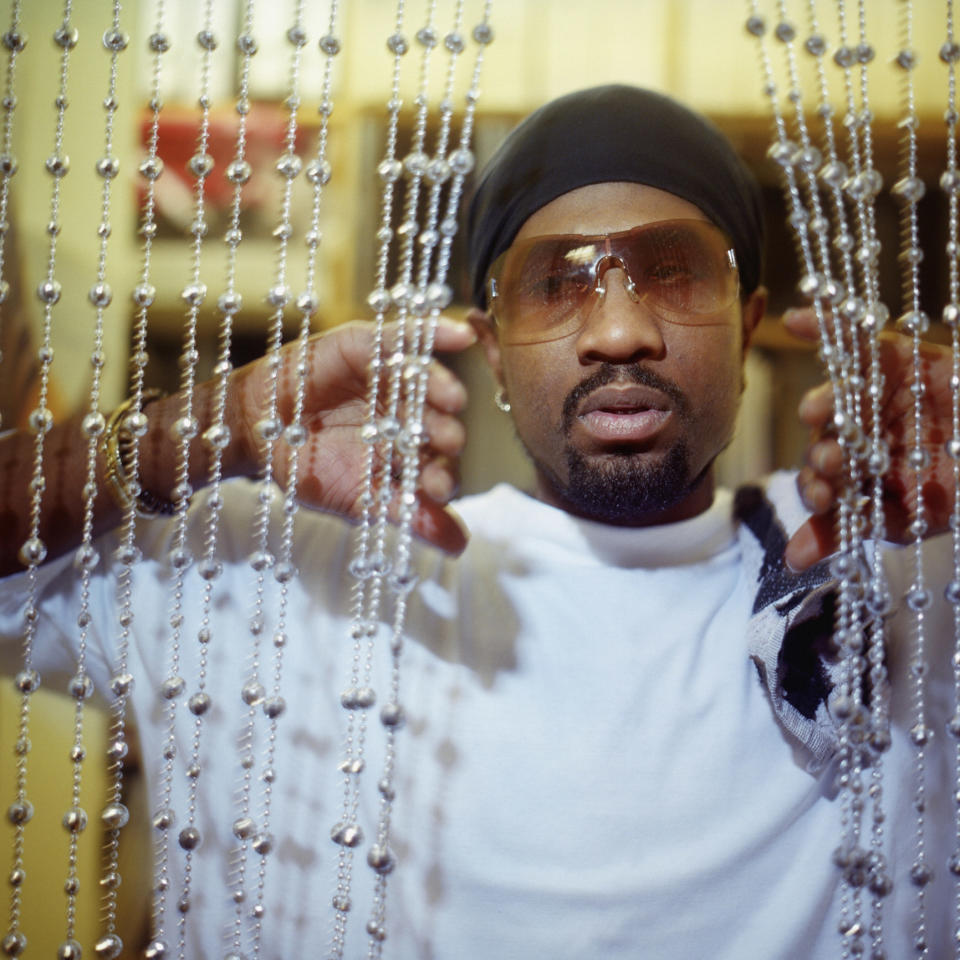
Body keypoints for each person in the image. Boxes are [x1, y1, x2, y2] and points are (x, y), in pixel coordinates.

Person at [0, 85, 955, 958]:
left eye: (673, 273)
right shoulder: (285, 585)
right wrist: (214, 430)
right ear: (491, 349)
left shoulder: (901, 575)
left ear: (748, 323)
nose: (619, 331)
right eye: (557, 283)